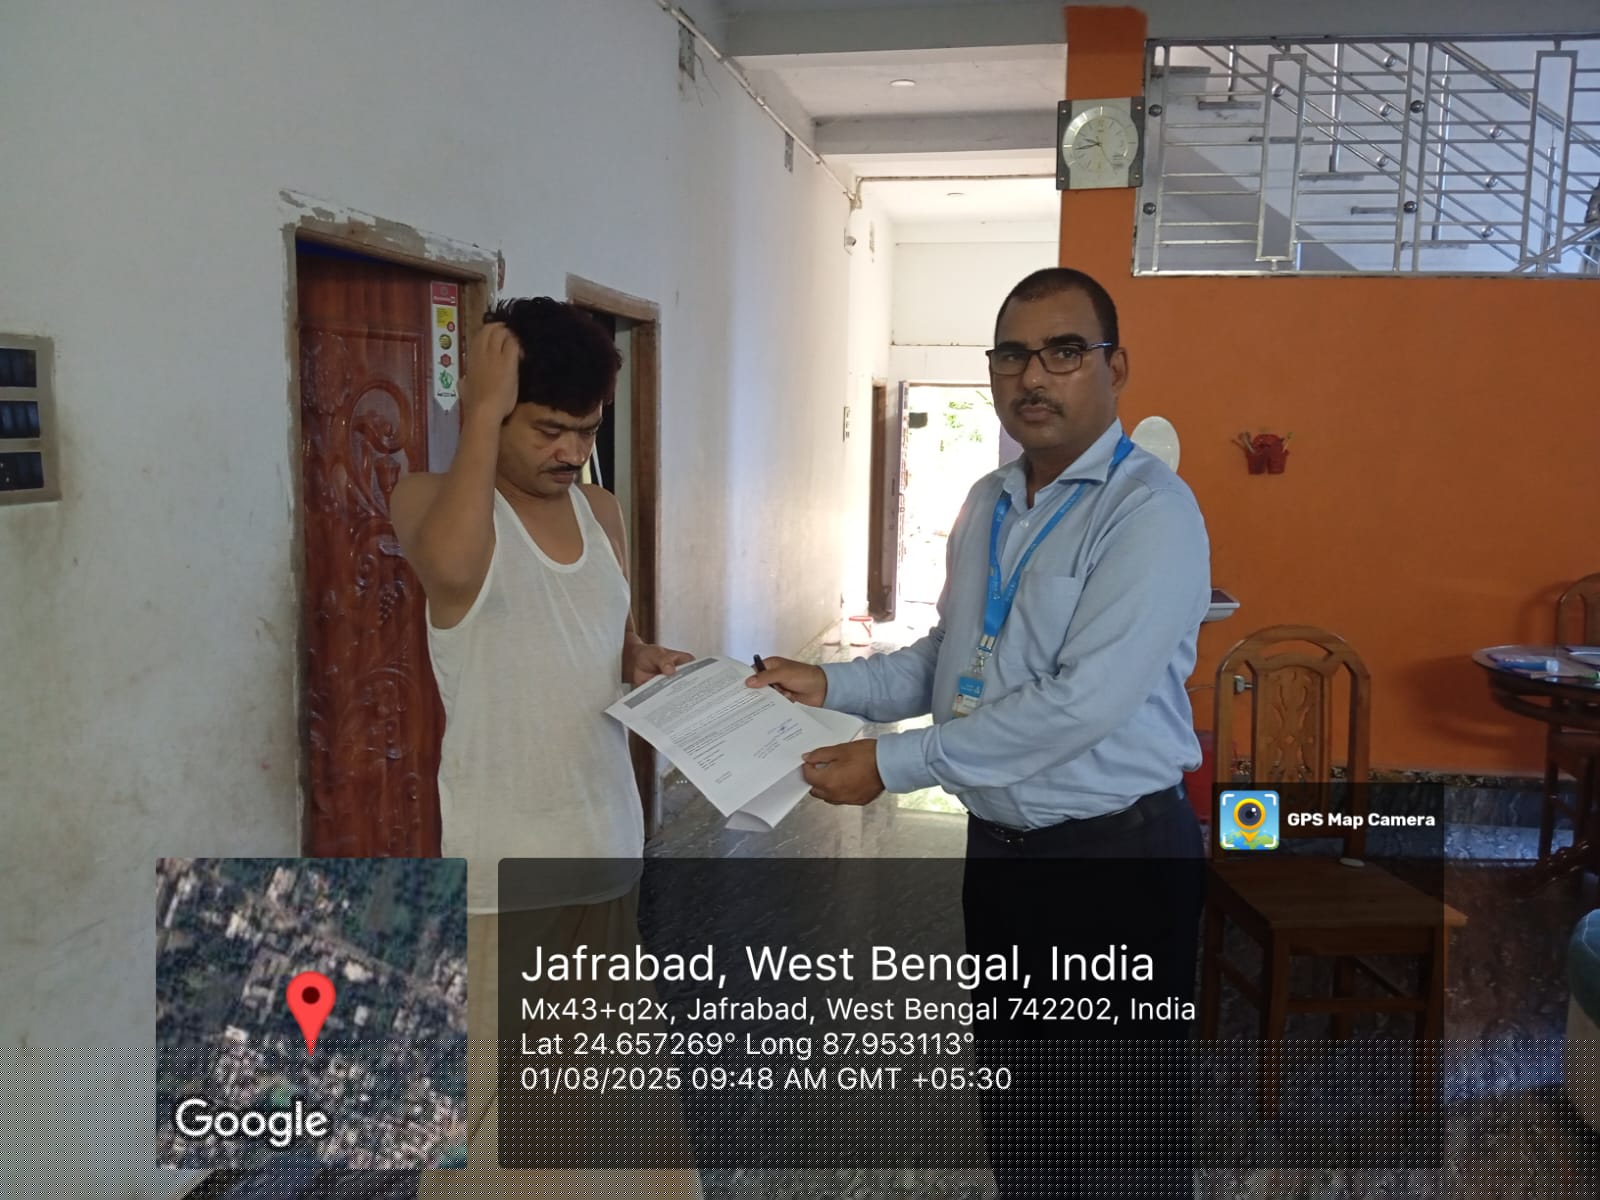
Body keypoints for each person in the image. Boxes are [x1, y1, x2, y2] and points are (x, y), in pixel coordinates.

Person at [750, 267, 1210, 1197]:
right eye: (1012, 355)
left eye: (1064, 352)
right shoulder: (988, 500)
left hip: (1115, 864)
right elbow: (948, 661)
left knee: (1118, 1137)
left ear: (1115, 367)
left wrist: (894, 763)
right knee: (1024, 1113)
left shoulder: (1150, 512)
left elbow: (1081, 704)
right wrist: (827, 682)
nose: (1032, 376)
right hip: (1001, 859)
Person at [391, 297, 699, 1196]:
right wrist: (482, 409)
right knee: (499, 1123)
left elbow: (611, 636)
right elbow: (455, 571)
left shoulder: (600, 510)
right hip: (507, 871)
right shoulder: (428, 502)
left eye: (586, 431)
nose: (570, 452)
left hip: (607, 843)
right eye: (547, 429)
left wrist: (639, 658)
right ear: (493, 411)